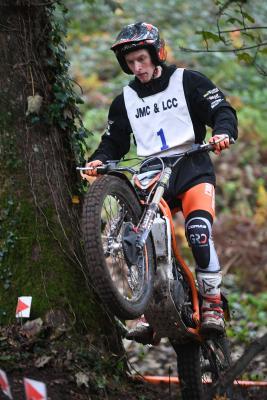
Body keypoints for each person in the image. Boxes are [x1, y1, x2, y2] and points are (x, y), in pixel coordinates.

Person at [85, 22, 238, 341]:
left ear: (157, 54)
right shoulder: (124, 99)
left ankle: (211, 305)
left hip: (192, 164)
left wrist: (223, 132)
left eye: (141, 59)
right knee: (137, 238)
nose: (137, 68)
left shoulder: (188, 81)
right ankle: (146, 308)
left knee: (198, 233)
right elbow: (114, 140)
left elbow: (220, 109)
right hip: (152, 173)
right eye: (130, 63)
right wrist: (100, 158)